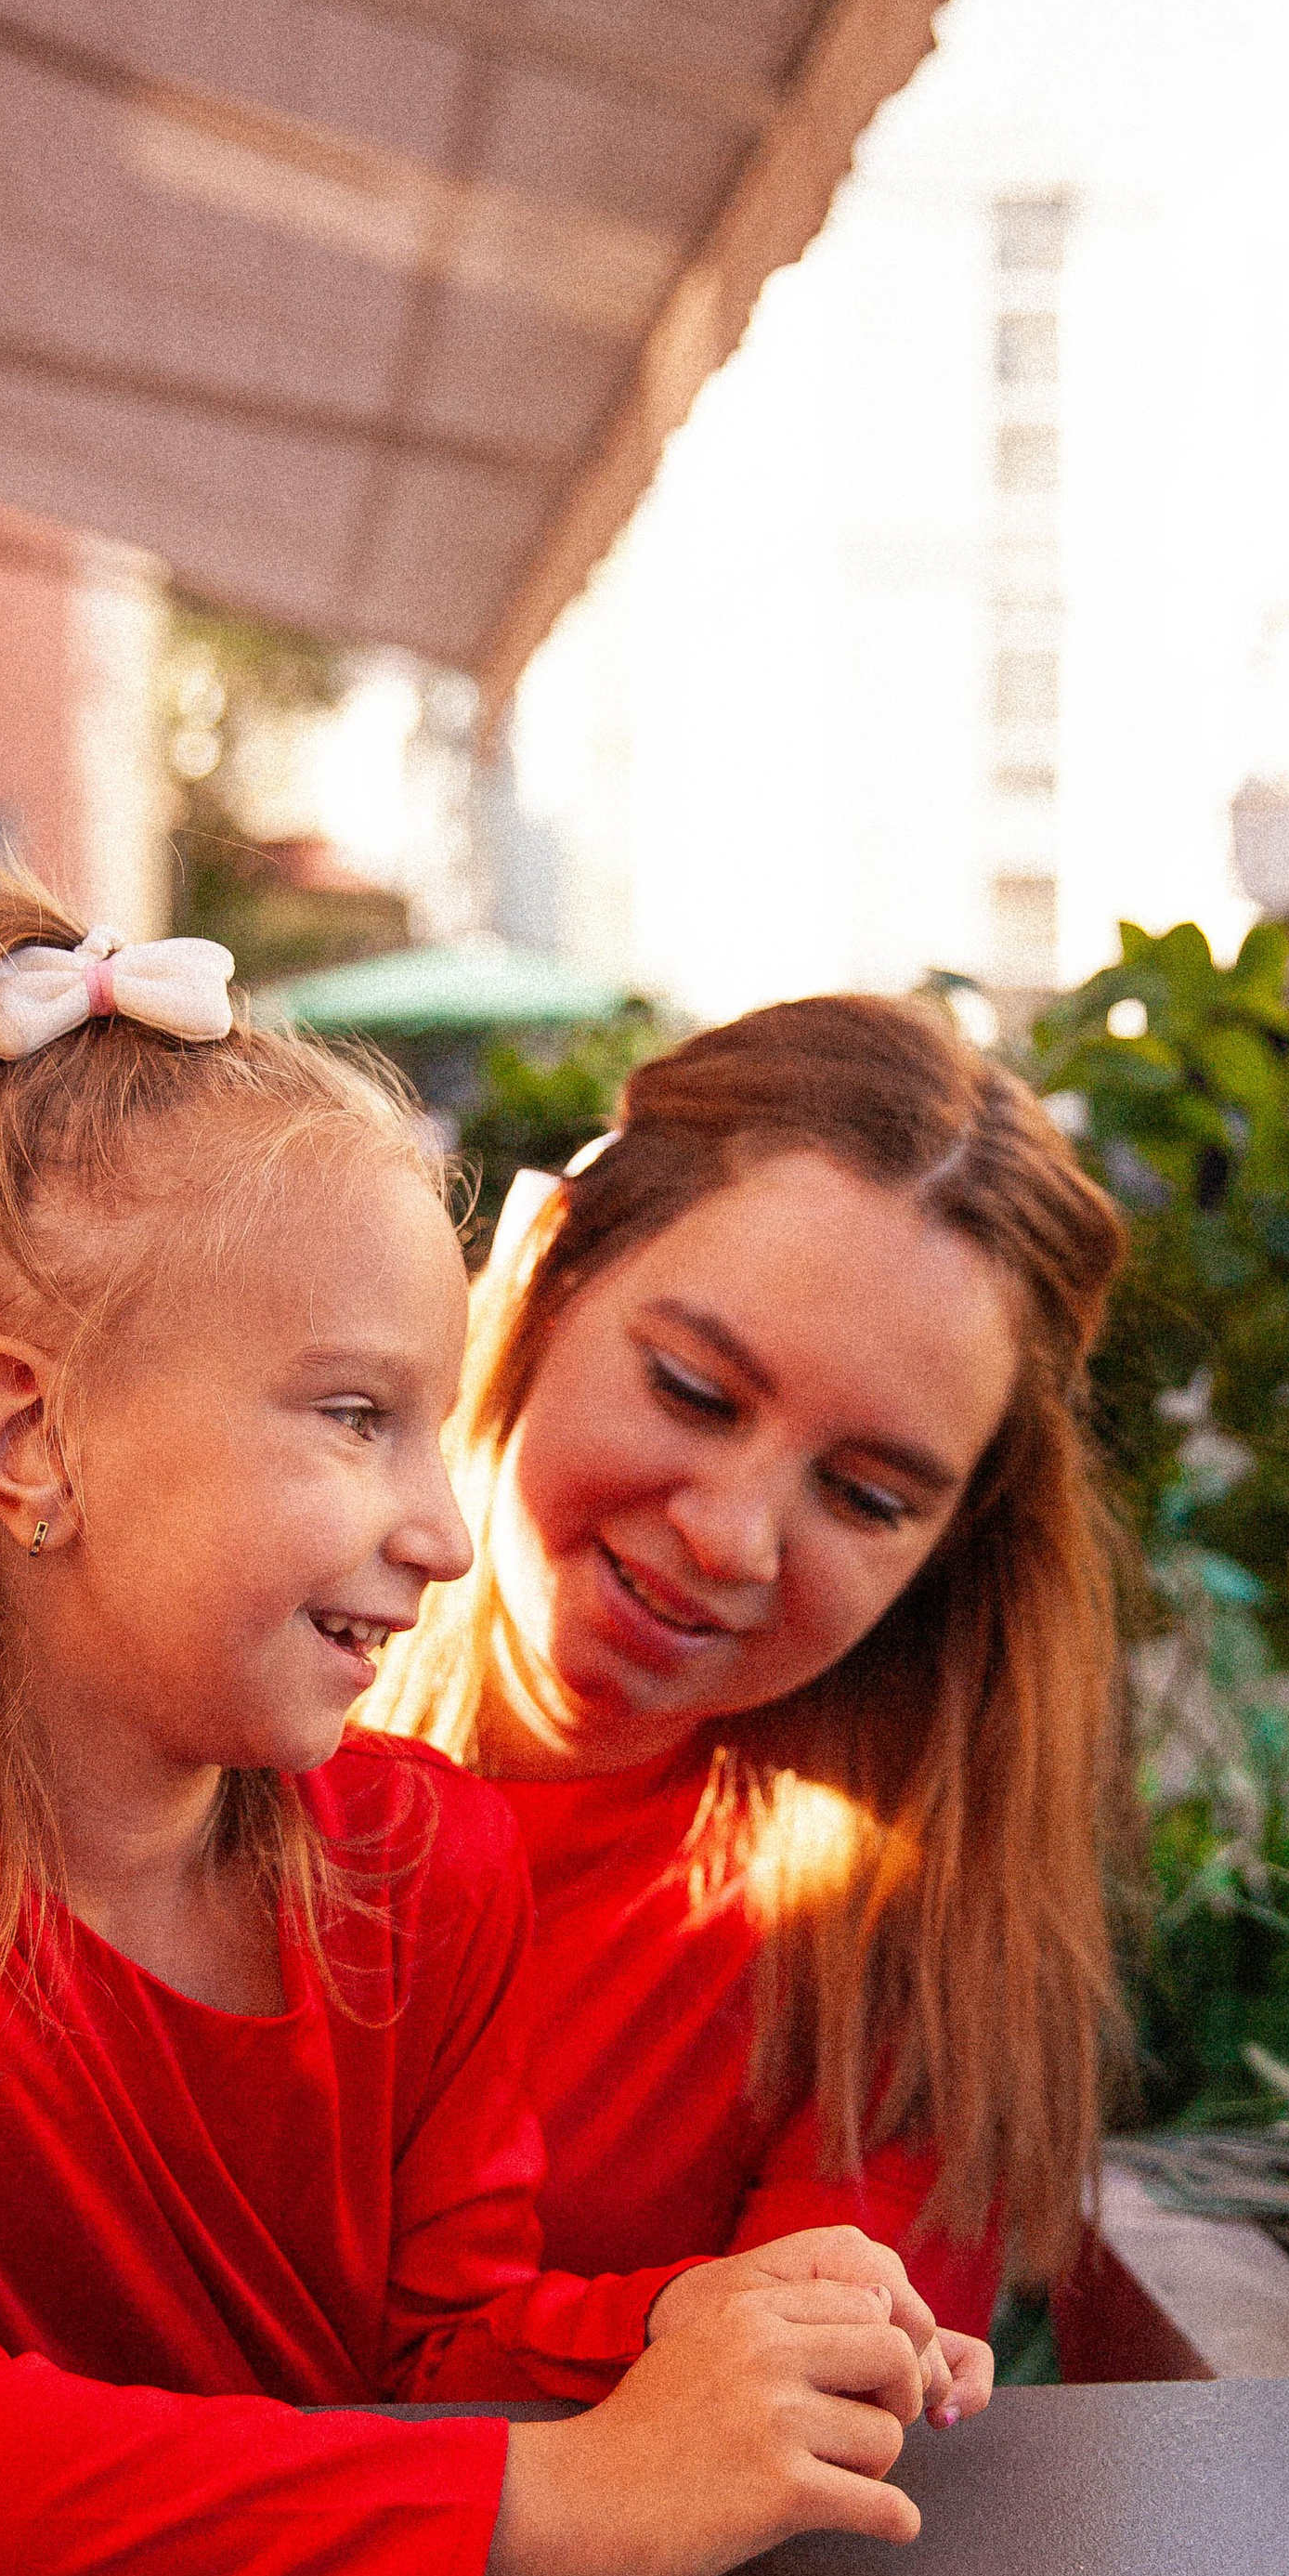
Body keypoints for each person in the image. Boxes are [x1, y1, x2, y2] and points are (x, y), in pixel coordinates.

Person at [0, 882, 959, 2576]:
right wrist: (560, 2498)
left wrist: (704, 2322)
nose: (447, 1538)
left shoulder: (432, 1861)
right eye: (354, 1419)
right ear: (30, 1441)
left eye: (432, 1436)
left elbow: (429, 2346)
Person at [366, 993, 1131, 2346]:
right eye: (693, 1390)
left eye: (868, 1498)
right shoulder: (185, 1689)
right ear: (542, 1272)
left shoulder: (908, 1937)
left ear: (952, 1553)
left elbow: (791, 2417)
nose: (730, 1539)